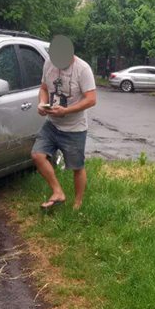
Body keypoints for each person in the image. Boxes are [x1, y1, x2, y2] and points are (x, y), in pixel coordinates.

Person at [31, 36, 97, 210]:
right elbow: (44, 88)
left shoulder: (83, 69)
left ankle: (78, 203)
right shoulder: (48, 64)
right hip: (52, 123)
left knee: (77, 167)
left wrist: (66, 111)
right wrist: (41, 103)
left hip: (75, 128)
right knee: (37, 155)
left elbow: (91, 99)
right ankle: (58, 191)